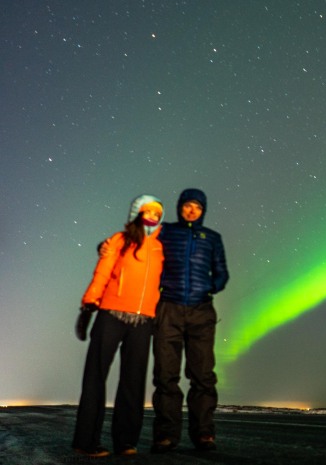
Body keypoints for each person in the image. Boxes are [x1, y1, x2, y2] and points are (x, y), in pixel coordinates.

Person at [72, 195, 164, 458]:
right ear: (137, 213)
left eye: (158, 213)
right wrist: (89, 304)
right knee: (95, 376)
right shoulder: (119, 240)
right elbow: (102, 272)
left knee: (133, 382)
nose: (153, 216)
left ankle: (125, 441)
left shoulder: (161, 247)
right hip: (111, 314)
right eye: (148, 211)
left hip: (143, 321)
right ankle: (86, 440)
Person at [151, 188, 230, 453]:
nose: (192, 210)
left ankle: (204, 434)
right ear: (180, 207)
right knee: (165, 375)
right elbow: (141, 246)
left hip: (201, 311)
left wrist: (209, 288)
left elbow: (222, 273)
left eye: (197, 206)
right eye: (188, 205)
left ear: (203, 210)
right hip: (168, 308)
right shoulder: (165, 231)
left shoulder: (212, 238)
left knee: (203, 375)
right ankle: (166, 435)